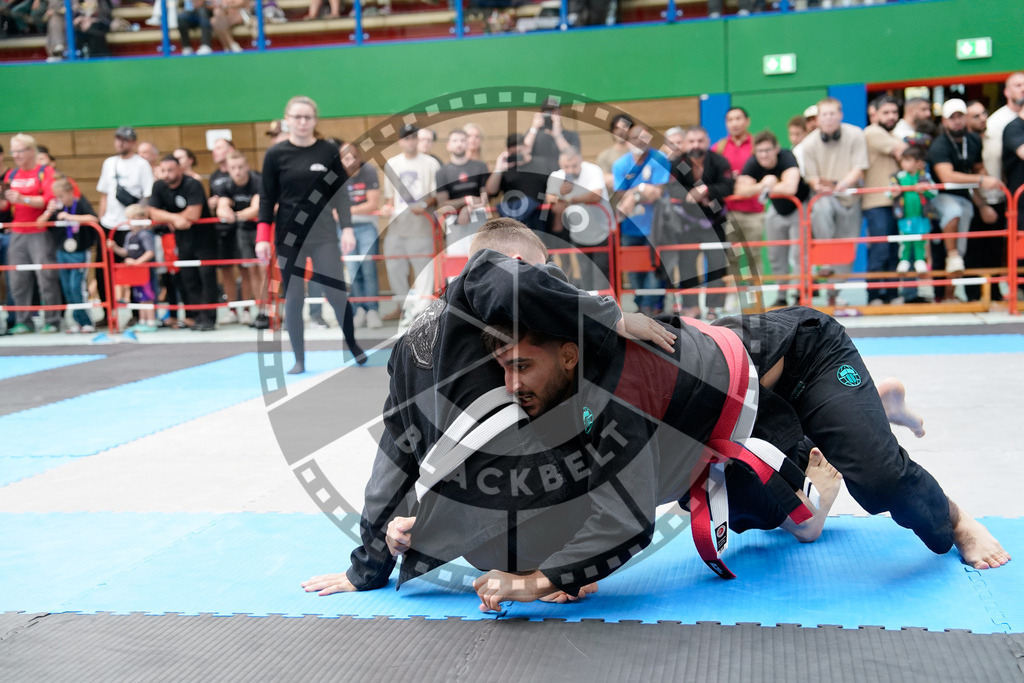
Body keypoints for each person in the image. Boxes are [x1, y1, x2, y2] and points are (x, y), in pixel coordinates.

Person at [303, 218, 1009, 611]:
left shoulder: (590, 353)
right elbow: (403, 453)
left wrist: (550, 575)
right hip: (724, 426)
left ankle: (950, 513)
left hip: (795, 353)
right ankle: (853, 420)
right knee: (786, 521)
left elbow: (619, 507)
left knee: (877, 478)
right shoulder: (431, 354)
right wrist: (376, 557)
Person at [255, 95, 365, 373]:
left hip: (324, 235)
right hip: (289, 238)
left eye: (308, 117)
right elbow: (267, 199)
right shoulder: (275, 155)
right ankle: (299, 359)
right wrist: (261, 237)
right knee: (294, 298)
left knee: (337, 293)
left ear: (314, 120)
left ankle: (353, 345)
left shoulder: (328, 150)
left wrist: (348, 227)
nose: (302, 122)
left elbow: (340, 194)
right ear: (287, 119)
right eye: (297, 117)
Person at [657, 126, 733, 320]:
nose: (695, 145)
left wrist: (707, 190)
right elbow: (672, 188)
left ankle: (714, 306)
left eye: (700, 141)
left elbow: (728, 185)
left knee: (717, 264)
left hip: (715, 223)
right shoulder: (678, 163)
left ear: (707, 142)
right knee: (687, 265)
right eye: (691, 141)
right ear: (686, 143)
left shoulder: (718, 161)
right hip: (686, 224)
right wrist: (692, 194)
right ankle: (692, 306)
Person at [926, 99, 1004, 280]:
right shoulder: (939, 145)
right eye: (952, 117)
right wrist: (981, 179)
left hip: (965, 196)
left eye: (960, 116)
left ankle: (950, 294)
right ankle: (951, 258)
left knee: (962, 249)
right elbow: (947, 176)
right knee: (953, 213)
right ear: (944, 121)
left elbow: (977, 167)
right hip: (939, 196)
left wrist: (984, 198)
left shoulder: (973, 140)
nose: (957, 121)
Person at [801, 97, 869, 306]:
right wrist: (818, 186)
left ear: (840, 115)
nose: (829, 118)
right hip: (824, 197)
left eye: (832, 113)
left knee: (847, 247)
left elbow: (859, 167)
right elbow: (810, 176)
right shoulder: (808, 143)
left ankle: (835, 293)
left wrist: (843, 184)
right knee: (820, 209)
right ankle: (825, 261)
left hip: (850, 199)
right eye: (824, 114)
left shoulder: (856, 134)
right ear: (818, 118)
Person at [734, 130, 809, 307]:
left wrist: (767, 187)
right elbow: (740, 190)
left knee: (799, 254)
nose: (764, 155)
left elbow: (791, 187)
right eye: (760, 151)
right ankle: (781, 294)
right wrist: (763, 184)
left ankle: (800, 294)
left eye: (768, 150)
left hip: (799, 206)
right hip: (776, 208)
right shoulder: (753, 163)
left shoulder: (787, 156)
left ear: (776, 149)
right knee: (775, 254)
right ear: (755, 152)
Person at [148, 154, 218, 331]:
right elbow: (152, 212)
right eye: (163, 170)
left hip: (204, 238)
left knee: (206, 277)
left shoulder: (192, 184)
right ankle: (195, 316)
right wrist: (174, 218)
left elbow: (194, 213)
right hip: (182, 239)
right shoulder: (158, 186)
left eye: (171, 170)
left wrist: (174, 219)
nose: (167, 174)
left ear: (180, 169)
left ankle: (208, 318)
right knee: (188, 278)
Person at [379, 123, 440, 325]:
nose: (410, 141)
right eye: (406, 138)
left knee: (424, 271)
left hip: (421, 227)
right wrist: (387, 208)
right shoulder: (392, 164)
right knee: (394, 267)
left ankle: (422, 312)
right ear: (400, 141)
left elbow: (435, 195)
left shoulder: (431, 163)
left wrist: (423, 204)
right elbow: (390, 198)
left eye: (413, 137)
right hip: (396, 226)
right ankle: (407, 308)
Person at [2, 133, 61, 335]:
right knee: (18, 279)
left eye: (19, 151)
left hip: (40, 231)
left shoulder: (45, 172)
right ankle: (23, 320)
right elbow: (6, 203)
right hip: (18, 231)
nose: (15, 155)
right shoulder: (11, 175)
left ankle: (52, 319)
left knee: (46, 277)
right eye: (13, 151)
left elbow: (48, 200)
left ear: (30, 151)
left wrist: (23, 198)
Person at [612, 124, 671, 315]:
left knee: (655, 269)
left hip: (657, 226)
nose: (640, 141)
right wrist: (643, 189)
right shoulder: (620, 164)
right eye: (636, 137)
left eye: (645, 137)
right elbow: (620, 196)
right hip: (630, 227)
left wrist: (636, 193)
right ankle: (639, 303)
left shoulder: (659, 159)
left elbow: (657, 192)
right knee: (634, 269)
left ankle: (648, 306)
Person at [544, 147, 613, 291]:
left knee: (602, 276)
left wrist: (567, 199)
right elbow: (550, 199)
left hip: (603, 231)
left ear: (580, 161)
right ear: (560, 164)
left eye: (574, 165)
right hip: (579, 234)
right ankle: (590, 310)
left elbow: (596, 195)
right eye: (566, 166)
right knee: (585, 274)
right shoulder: (557, 176)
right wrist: (559, 194)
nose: (570, 170)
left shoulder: (593, 170)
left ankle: (605, 310)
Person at [862, 96, 908, 304]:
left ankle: (891, 294)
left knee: (893, 251)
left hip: (895, 202)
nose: (891, 116)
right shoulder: (872, 132)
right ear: (875, 114)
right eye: (886, 112)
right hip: (876, 203)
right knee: (880, 251)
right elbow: (907, 151)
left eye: (894, 112)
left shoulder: (892, 134)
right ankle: (874, 296)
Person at [39, 176, 98, 333]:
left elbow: (93, 218)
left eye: (61, 195)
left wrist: (70, 217)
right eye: (56, 196)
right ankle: (77, 322)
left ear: (70, 192)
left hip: (79, 252)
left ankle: (87, 321)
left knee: (77, 287)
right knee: (67, 288)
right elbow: (39, 224)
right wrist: (48, 211)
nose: (59, 199)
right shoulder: (57, 207)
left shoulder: (80, 203)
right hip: (62, 252)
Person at [215, 149, 265, 327]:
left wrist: (235, 216)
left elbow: (256, 208)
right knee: (251, 271)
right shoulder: (225, 185)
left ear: (247, 166)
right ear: (228, 169)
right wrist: (224, 212)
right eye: (233, 167)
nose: (238, 171)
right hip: (243, 231)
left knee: (263, 271)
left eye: (241, 167)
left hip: (261, 229)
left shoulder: (258, 181)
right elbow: (222, 206)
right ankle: (256, 311)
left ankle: (264, 311)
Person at [714, 107, 765, 274]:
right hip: (727, 213)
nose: (734, 123)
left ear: (747, 121)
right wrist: (736, 181)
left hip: (754, 213)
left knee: (754, 256)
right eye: (730, 120)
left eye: (738, 118)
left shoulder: (758, 147)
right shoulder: (719, 148)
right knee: (731, 257)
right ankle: (733, 297)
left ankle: (757, 297)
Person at [339, 142, 383, 330]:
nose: (351, 161)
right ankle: (359, 310)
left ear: (359, 156)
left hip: (367, 227)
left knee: (368, 267)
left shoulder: (369, 171)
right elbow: (333, 208)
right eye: (346, 158)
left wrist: (347, 210)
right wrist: (349, 212)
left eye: (354, 157)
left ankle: (372, 309)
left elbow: (372, 203)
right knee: (352, 269)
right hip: (344, 228)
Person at [435, 128, 490, 253]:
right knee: (457, 264)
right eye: (455, 141)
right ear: (448, 145)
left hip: (478, 218)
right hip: (454, 221)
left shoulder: (480, 166)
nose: (459, 144)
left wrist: (468, 208)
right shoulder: (442, 172)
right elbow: (443, 203)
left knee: (480, 260)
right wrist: (467, 200)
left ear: (467, 143)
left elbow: (484, 198)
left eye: (462, 140)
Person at [107, 204, 159, 332]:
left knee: (148, 297)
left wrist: (137, 262)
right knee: (140, 297)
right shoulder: (129, 236)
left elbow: (150, 252)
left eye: (132, 218)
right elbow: (126, 252)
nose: (129, 222)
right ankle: (142, 321)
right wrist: (115, 248)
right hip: (136, 273)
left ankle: (151, 322)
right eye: (128, 218)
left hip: (146, 271)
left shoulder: (145, 234)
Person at [888, 145, 934, 275]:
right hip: (904, 216)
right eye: (903, 160)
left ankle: (920, 261)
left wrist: (926, 189)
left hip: (921, 216)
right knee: (905, 239)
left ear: (919, 163)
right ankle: (904, 261)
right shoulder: (898, 177)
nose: (904, 163)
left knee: (921, 240)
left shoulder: (925, 177)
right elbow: (889, 193)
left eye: (908, 160)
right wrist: (894, 192)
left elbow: (934, 192)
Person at [596, 114, 633, 193]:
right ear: (612, 131)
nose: (620, 131)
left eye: (624, 127)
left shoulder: (639, 153)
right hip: (614, 202)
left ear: (631, 129)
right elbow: (605, 180)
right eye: (616, 128)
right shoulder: (605, 156)